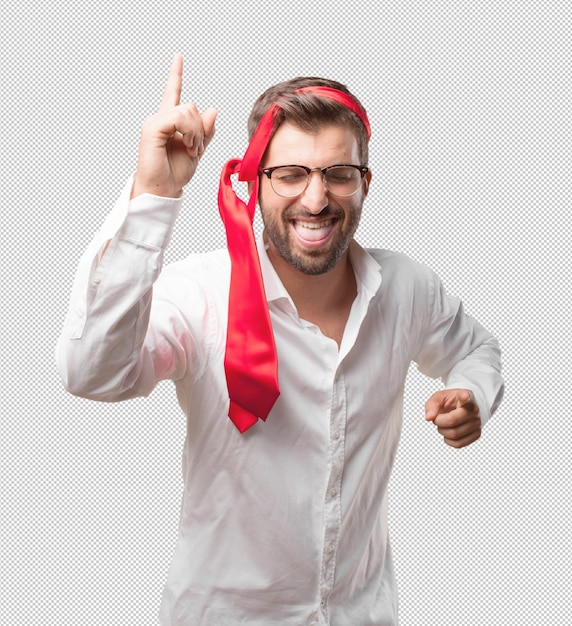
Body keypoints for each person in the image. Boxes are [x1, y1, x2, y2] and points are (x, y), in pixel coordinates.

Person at [56, 53, 504, 626]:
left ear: (365, 183)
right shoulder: (199, 293)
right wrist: (152, 197)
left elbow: (477, 349)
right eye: (290, 174)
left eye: (337, 174)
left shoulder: (408, 288)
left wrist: (471, 394)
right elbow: (90, 372)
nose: (315, 200)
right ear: (252, 180)